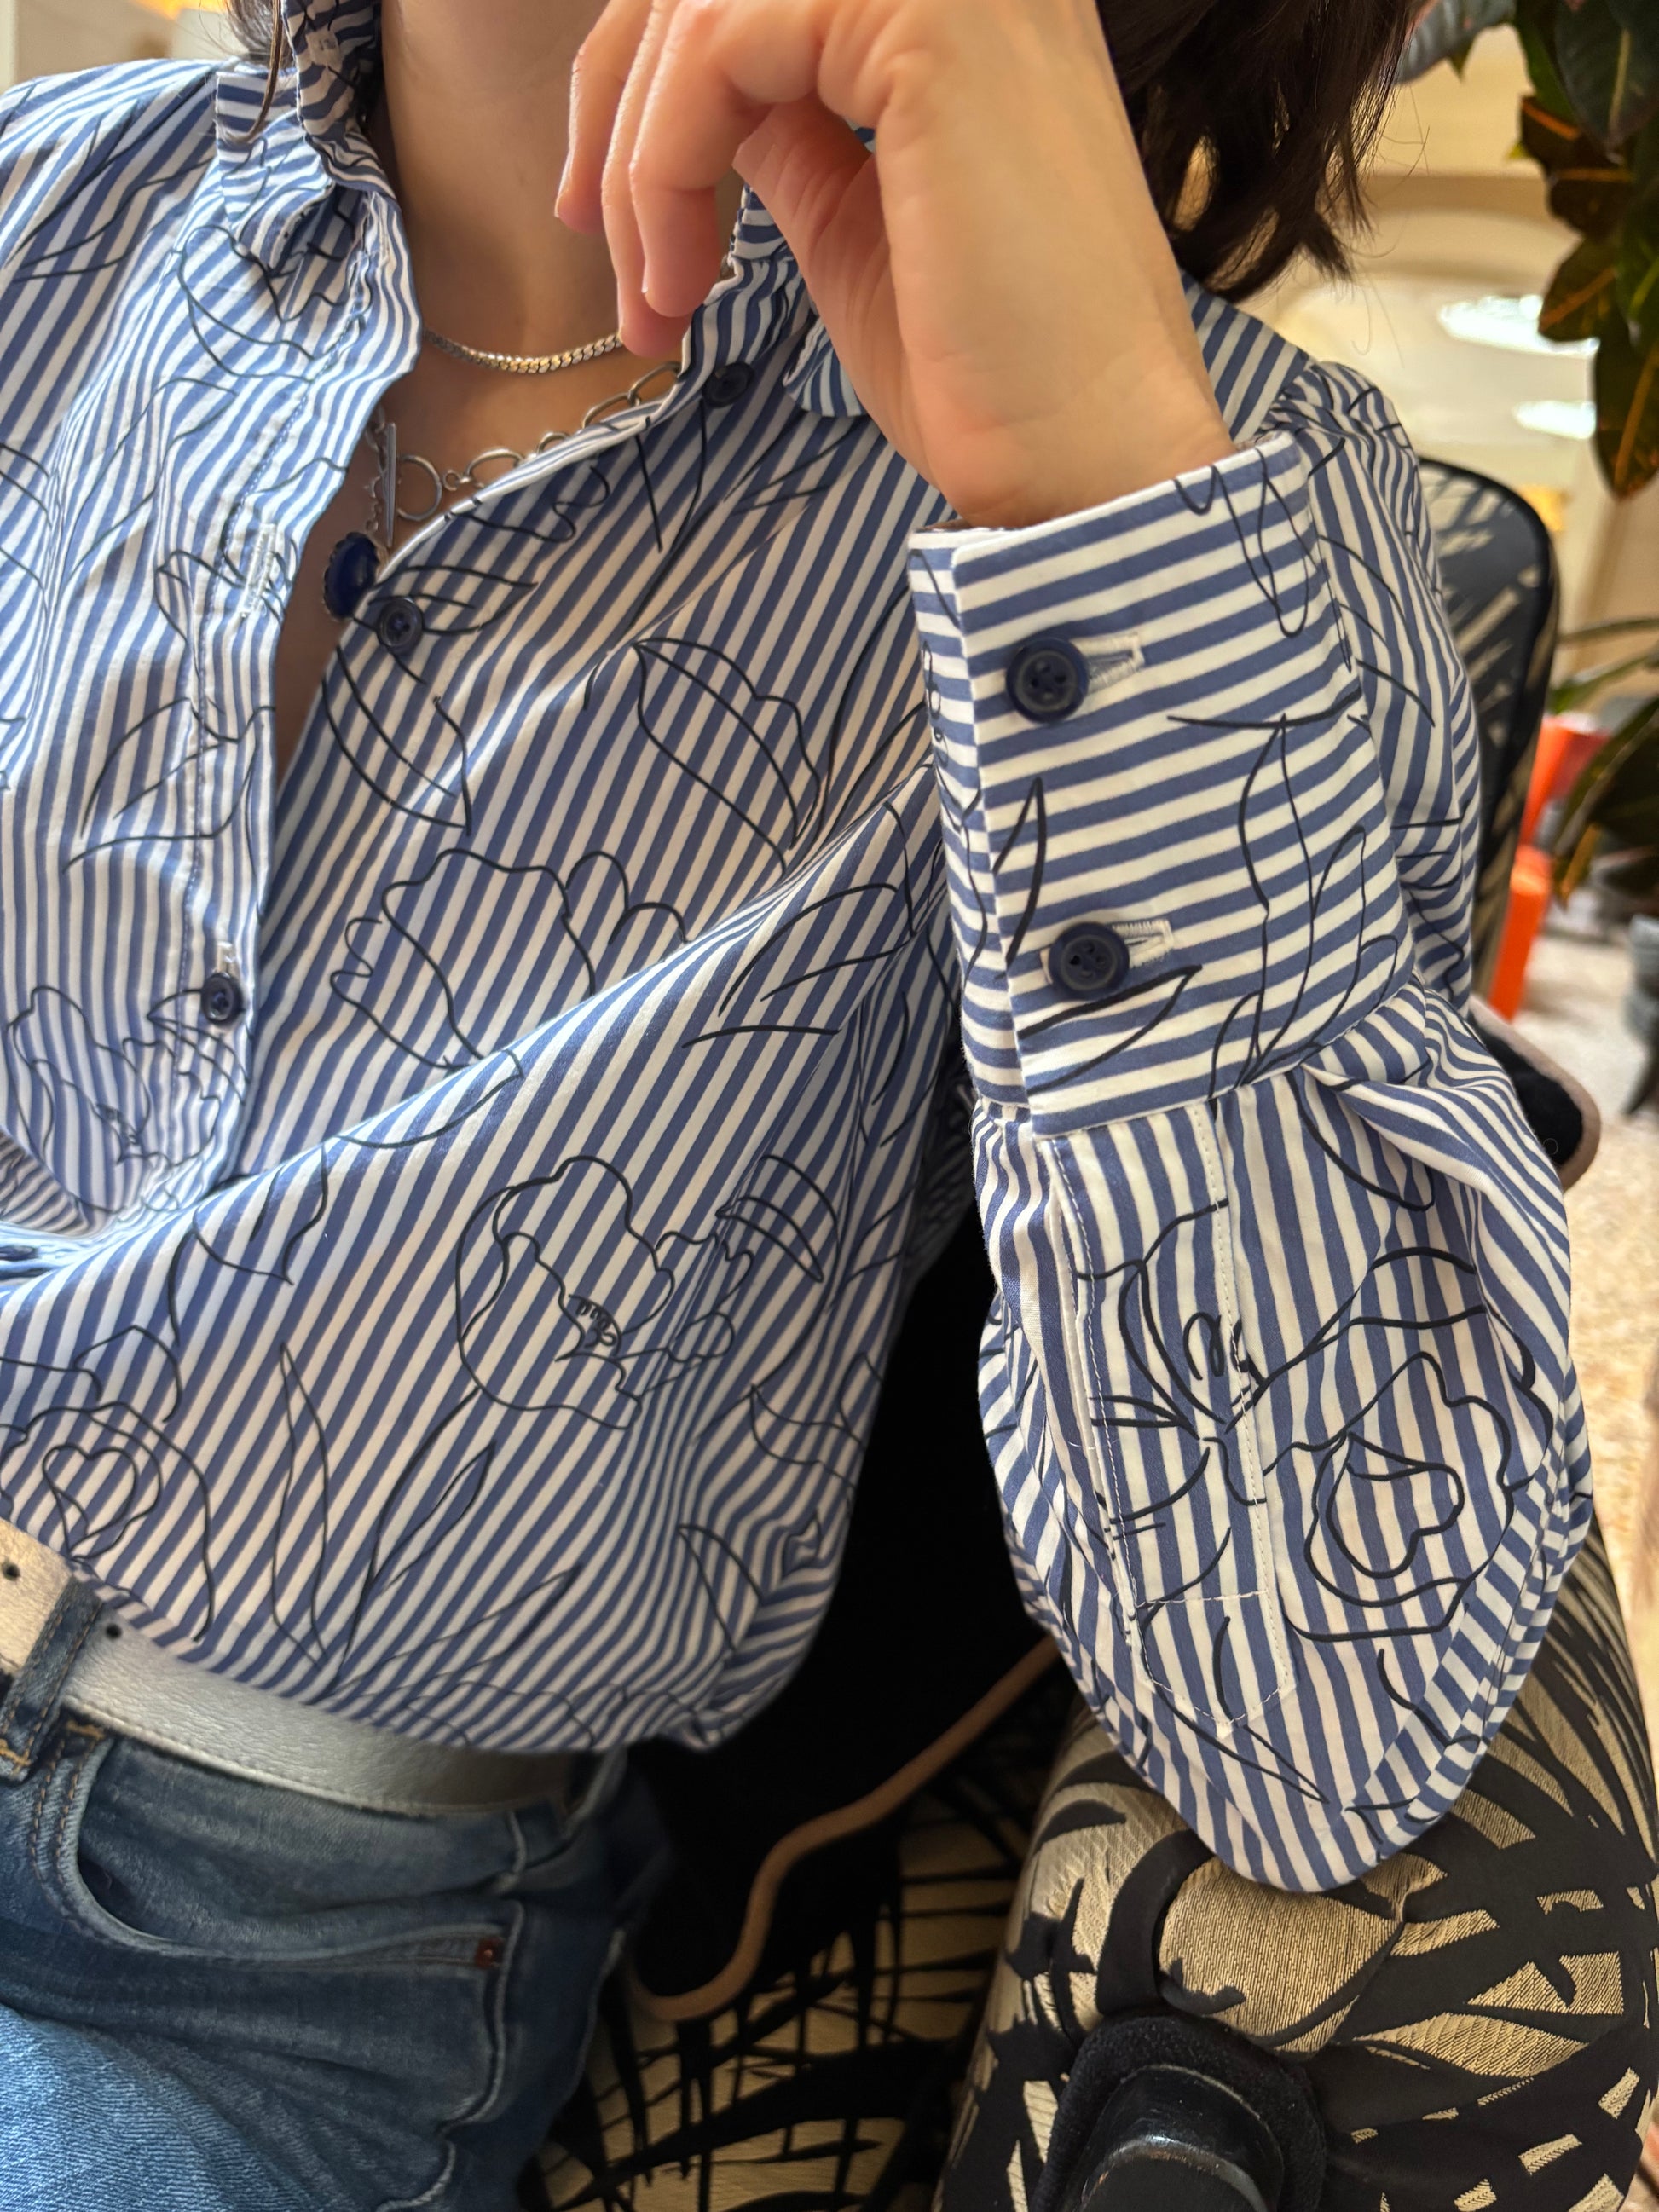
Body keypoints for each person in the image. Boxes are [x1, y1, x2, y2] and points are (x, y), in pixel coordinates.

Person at [0, 0, 1625, 2206]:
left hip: (235, 1960)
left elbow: (1319, 1714)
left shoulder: (1214, 488)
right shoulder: (52, 211)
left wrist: (1089, 500)